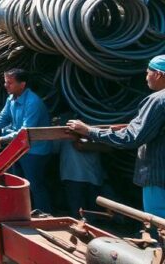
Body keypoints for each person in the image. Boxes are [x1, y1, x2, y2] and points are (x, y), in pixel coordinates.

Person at [68, 55, 165, 220]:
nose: (146, 76)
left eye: (148, 72)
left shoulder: (157, 100)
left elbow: (131, 138)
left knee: (158, 225)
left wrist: (89, 131)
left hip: (158, 176)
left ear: (158, 74)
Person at [0, 68, 53, 213]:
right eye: (5, 82)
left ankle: (45, 214)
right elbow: (4, 117)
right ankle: (22, 213)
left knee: (35, 185)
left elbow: (25, 132)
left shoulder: (33, 102)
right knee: (17, 182)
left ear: (22, 84)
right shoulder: (12, 98)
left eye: (10, 83)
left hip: (35, 150)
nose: (5, 85)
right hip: (17, 148)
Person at [58, 137, 105, 218]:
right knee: (91, 211)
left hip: (73, 175)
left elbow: (78, 146)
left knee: (78, 213)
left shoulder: (64, 133)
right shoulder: (94, 132)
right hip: (92, 176)